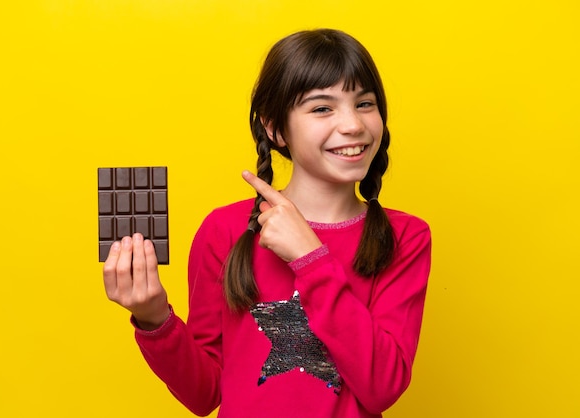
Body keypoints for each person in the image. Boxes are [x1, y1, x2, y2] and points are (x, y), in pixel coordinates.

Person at [103, 28, 432, 418]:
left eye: (365, 104)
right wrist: (154, 318)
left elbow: (383, 387)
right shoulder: (224, 230)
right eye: (322, 108)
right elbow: (204, 393)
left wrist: (311, 258)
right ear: (274, 127)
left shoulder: (406, 236)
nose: (354, 125)